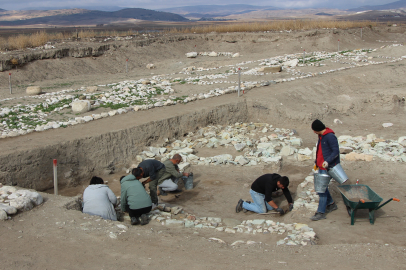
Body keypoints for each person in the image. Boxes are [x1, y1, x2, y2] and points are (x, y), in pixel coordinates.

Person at [310, 119, 339, 221]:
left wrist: (327, 161)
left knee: (321, 190)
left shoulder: (330, 136)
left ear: (317, 129)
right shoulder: (321, 136)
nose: (314, 132)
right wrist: (317, 162)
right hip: (321, 165)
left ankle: (321, 212)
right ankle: (331, 204)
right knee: (322, 187)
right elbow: (320, 150)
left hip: (327, 166)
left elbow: (335, 151)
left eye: (314, 130)